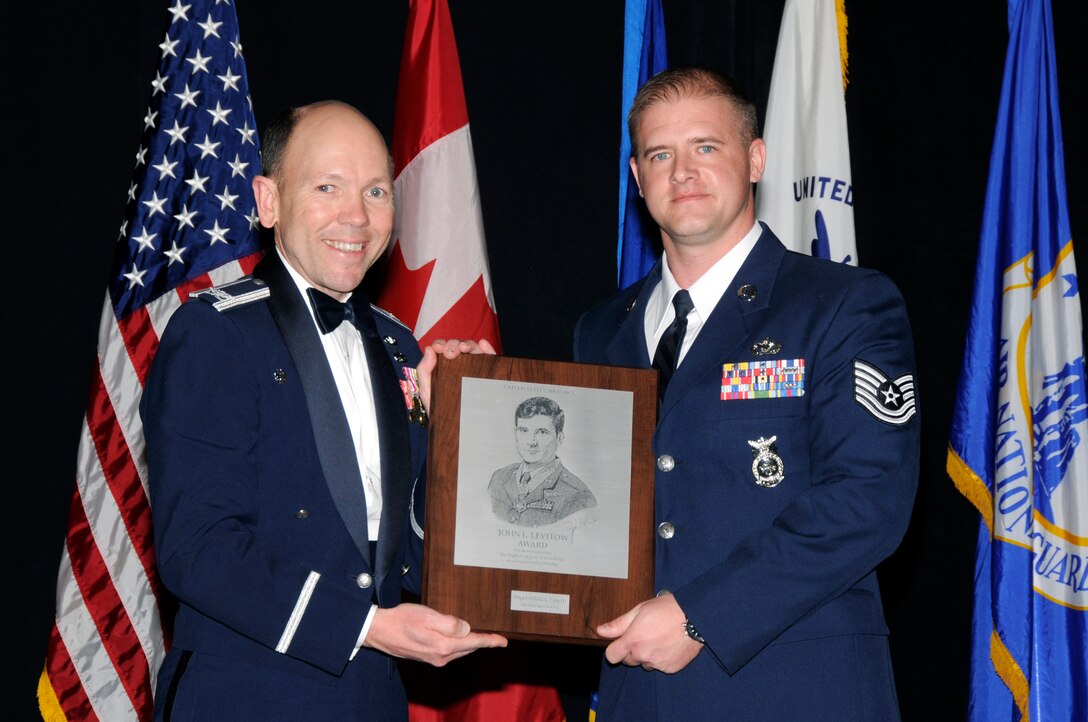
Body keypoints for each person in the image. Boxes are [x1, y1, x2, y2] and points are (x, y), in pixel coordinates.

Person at [140, 100, 505, 721]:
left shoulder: (400, 349)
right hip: (248, 698)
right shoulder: (216, 335)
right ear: (268, 201)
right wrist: (365, 627)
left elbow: (408, 553)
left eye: (375, 191)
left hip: (373, 700)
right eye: (326, 187)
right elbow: (197, 549)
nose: (356, 216)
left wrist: (455, 437)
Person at [573, 67, 920, 719]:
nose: (683, 171)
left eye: (706, 146)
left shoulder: (842, 306)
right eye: (660, 154)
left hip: (794, 690)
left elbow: (867, 500)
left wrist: (700, 616)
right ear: (636, 175)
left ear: (755, 158)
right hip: (638, 695)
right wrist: (461, 401)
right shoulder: (600, 331)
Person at [488, 396, 597, 526]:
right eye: (523, 431)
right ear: (515, 433)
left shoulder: (578, 495)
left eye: (542, 432)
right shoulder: (499, 478)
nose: (531, 442)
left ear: (560, 438)